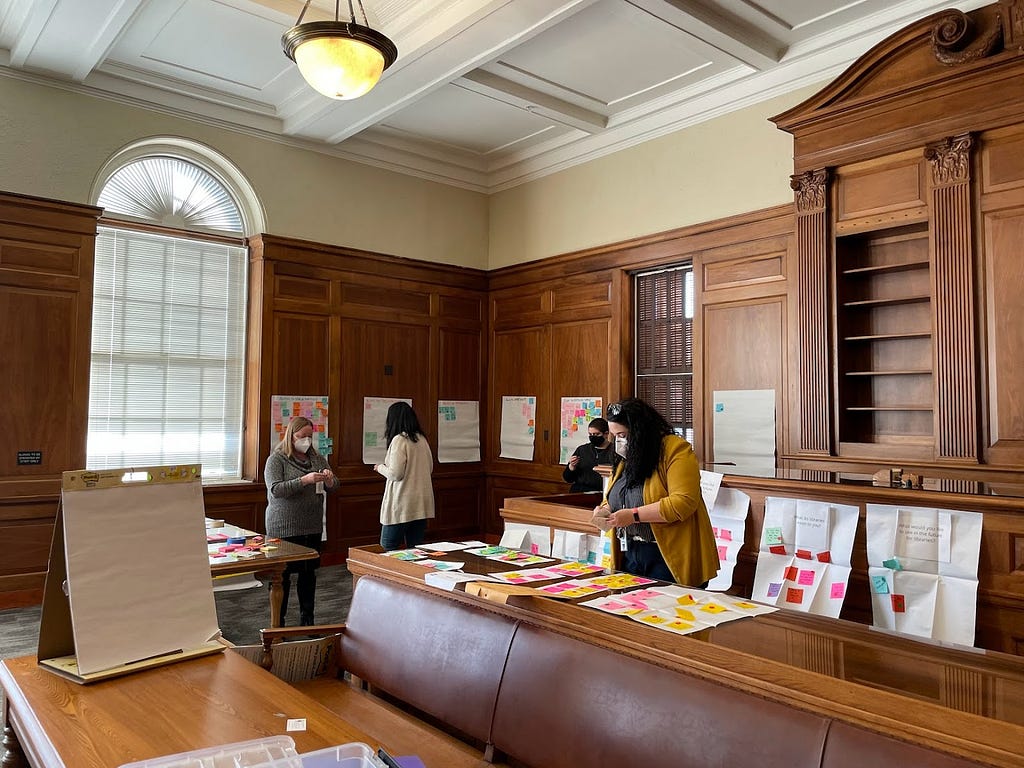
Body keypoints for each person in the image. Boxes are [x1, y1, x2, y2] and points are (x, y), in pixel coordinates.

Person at [590, 398, 719, 586]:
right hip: (630, 551)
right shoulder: (627, 457)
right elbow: (617, 494)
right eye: (614, 435)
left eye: (623, 435)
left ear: (640, 431)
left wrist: (634, 515)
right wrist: (604, 510)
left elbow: (682, 502)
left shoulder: (675, 449)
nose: (618, 441)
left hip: (668, 553)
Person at [264, 415, 338, 626]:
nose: (306, 440)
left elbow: (335, 486)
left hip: (311, 526)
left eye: (309, 436)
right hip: (284, 528)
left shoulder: (316, 458)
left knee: (308, 576)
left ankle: (308, 621)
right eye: (301, 436)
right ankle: (278, 623)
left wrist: (330, 480)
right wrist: (303, 480)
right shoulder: (276, 459)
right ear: (291, 436)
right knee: (282, 578)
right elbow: (276, 489)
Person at [373, 401, 435, 550]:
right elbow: (430, 468)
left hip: (401, 504)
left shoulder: (399, 440)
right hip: (421, 504)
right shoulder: (422, 439)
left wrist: (379, 467)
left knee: (387, 547)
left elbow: (396, 474)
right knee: (416, 551)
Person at [562, 417, 617, 493]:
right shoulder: (582, 450)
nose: (593, 437)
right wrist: (571, 467)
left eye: (596, 434)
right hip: (580, 492)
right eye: (590, 434)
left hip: (603, 493)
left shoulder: (615, 452)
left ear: (606, 434)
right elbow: (568, 478)